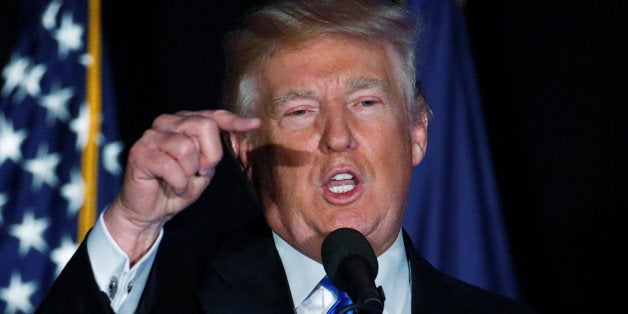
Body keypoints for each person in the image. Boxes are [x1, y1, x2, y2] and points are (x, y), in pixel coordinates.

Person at [37, 0, 536, 313]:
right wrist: (131, 225)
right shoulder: (169, 298)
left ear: (417, 134)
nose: (337, 136)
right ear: (248, 153)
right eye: (299, 111)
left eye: (365, 103)